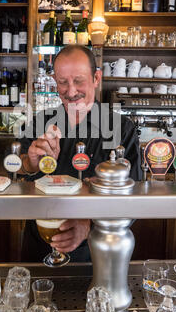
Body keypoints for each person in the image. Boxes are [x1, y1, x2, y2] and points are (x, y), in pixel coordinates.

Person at [19, 45, 142, 262]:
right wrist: (30, 164)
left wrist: (88, 224)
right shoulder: (40, 122)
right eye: (62, 82)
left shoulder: (121, 128)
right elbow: (18, 175)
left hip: (98, 252)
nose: (71, 91)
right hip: (39, 248)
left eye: (78, 80)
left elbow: (135, 197)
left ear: (96, 78)